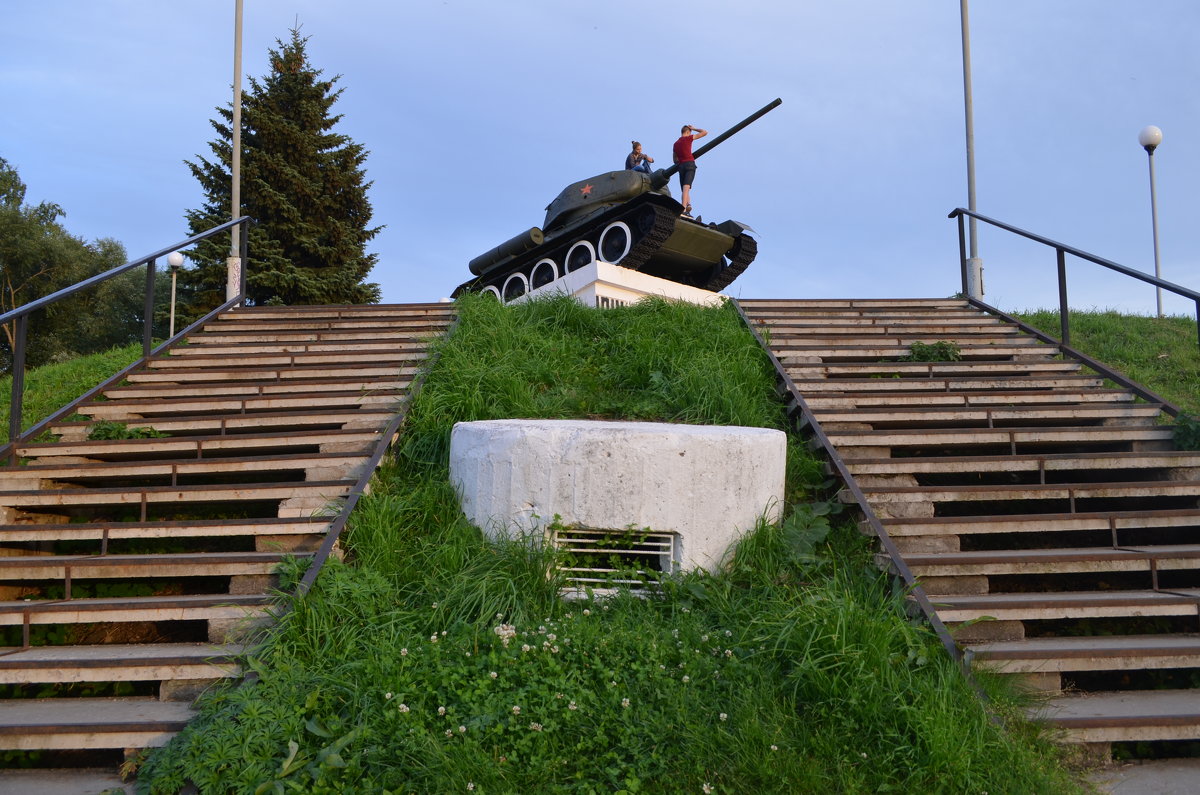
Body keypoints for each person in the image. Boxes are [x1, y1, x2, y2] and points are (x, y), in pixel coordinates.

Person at [672, 124, 708, 217]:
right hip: (690, 165)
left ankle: (688, 205)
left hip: (681, 167)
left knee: (685, 190)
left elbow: (675, 160)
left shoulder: (675, 144)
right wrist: (694, 128)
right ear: (688, 132)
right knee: (686, 188)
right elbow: (705, 132)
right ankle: (683, 208)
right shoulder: (689, 138)